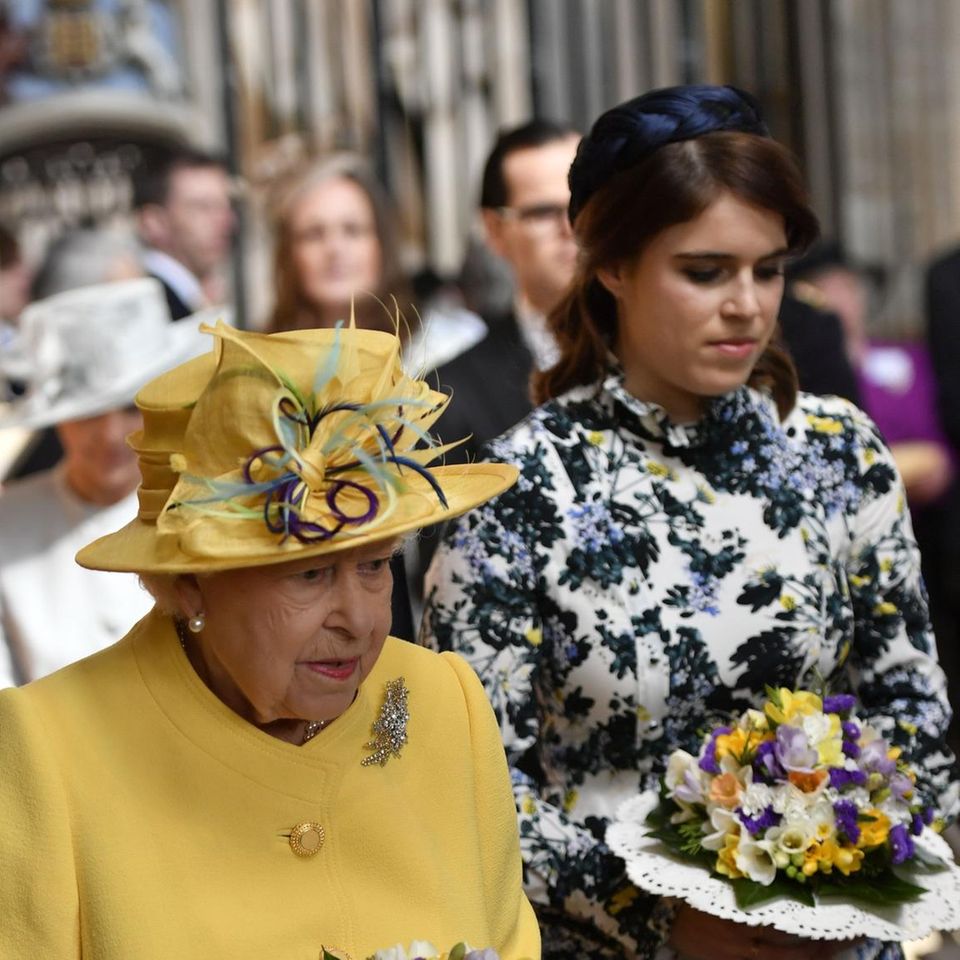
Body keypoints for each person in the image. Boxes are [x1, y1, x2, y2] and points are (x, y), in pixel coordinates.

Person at [421, 85, 956, 960]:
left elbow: (908, 710)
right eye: (704, 271)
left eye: (769, 268)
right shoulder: (519, 487)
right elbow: (474, 789)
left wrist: (863, 890)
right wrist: (672, 920)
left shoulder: (838, 450)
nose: (746, 304)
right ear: (613, 265)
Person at [0, 318, 540, 959]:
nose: (360, 619)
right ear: (191, 582)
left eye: (374, 566)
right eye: (310, 574)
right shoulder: (49, 749)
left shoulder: (446, 703)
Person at [0, 277, 208, 689]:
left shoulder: (207, 509)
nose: (111, 434)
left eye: (130, 408)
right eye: (87, 413)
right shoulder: (8, 524)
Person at [433, 120, 581, 464]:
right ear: (495, 229)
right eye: (544, 212)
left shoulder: (665, 354)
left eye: (582, 203)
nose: (571, 226)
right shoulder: (448, 396)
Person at [266, 152, 485, 372]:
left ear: (382, 243)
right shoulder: (259, 364)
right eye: (313, 234)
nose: (334, 248)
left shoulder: (448, 349)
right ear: (288, 253)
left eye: (353, 230)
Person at [133, 146, 236, 319]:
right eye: (203, 207)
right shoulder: (150, 308)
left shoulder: (191, 298)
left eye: (226, 206)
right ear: (154, 223)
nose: (226, 221)